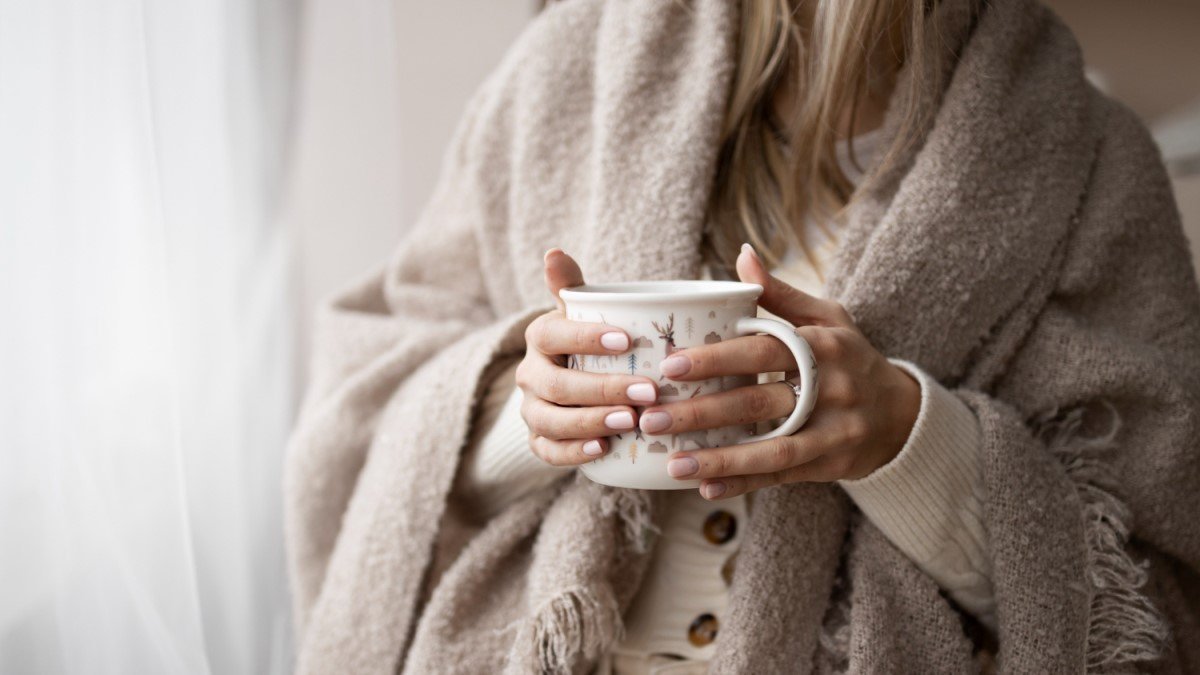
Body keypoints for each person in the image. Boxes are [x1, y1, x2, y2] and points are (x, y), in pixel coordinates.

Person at [284, 0, 1200, 673]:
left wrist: (910, 442)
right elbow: (358, 428)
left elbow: (1157, 597)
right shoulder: (563, 72)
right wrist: (527, 409)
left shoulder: (1087, 158)